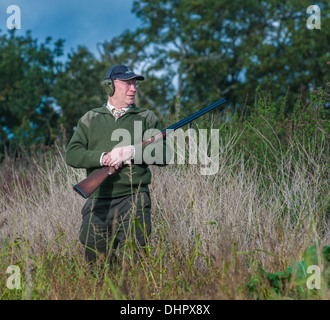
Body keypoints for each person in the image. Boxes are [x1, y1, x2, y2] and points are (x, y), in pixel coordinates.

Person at [65, 65, 169, 269]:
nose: (133, 88)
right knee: (96, 259)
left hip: (134, 197)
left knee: (136, 260)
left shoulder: (146, 118)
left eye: (135, 83)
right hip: (97, 199)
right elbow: (72, 154)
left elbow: (164, 154)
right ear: (109, 87)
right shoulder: (90, 118)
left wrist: (132, 151)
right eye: (127, 83)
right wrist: (104, 158)